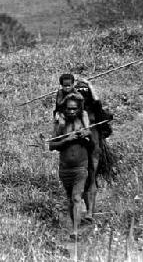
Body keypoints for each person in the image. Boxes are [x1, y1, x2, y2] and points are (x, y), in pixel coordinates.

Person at [49, 93, 93, 239]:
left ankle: (75, 231)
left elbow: (92, 145)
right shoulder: (61, 125)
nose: (72, 111)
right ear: (64, 109)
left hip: (81, 168)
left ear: (79, 109)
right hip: (65, 169)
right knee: (70, 199)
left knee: (76, 198)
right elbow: (51, 145)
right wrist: (67, 139)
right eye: (69, 109)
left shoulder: (84, 123)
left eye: (74, 109)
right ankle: (74, 225)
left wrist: (85, 136)